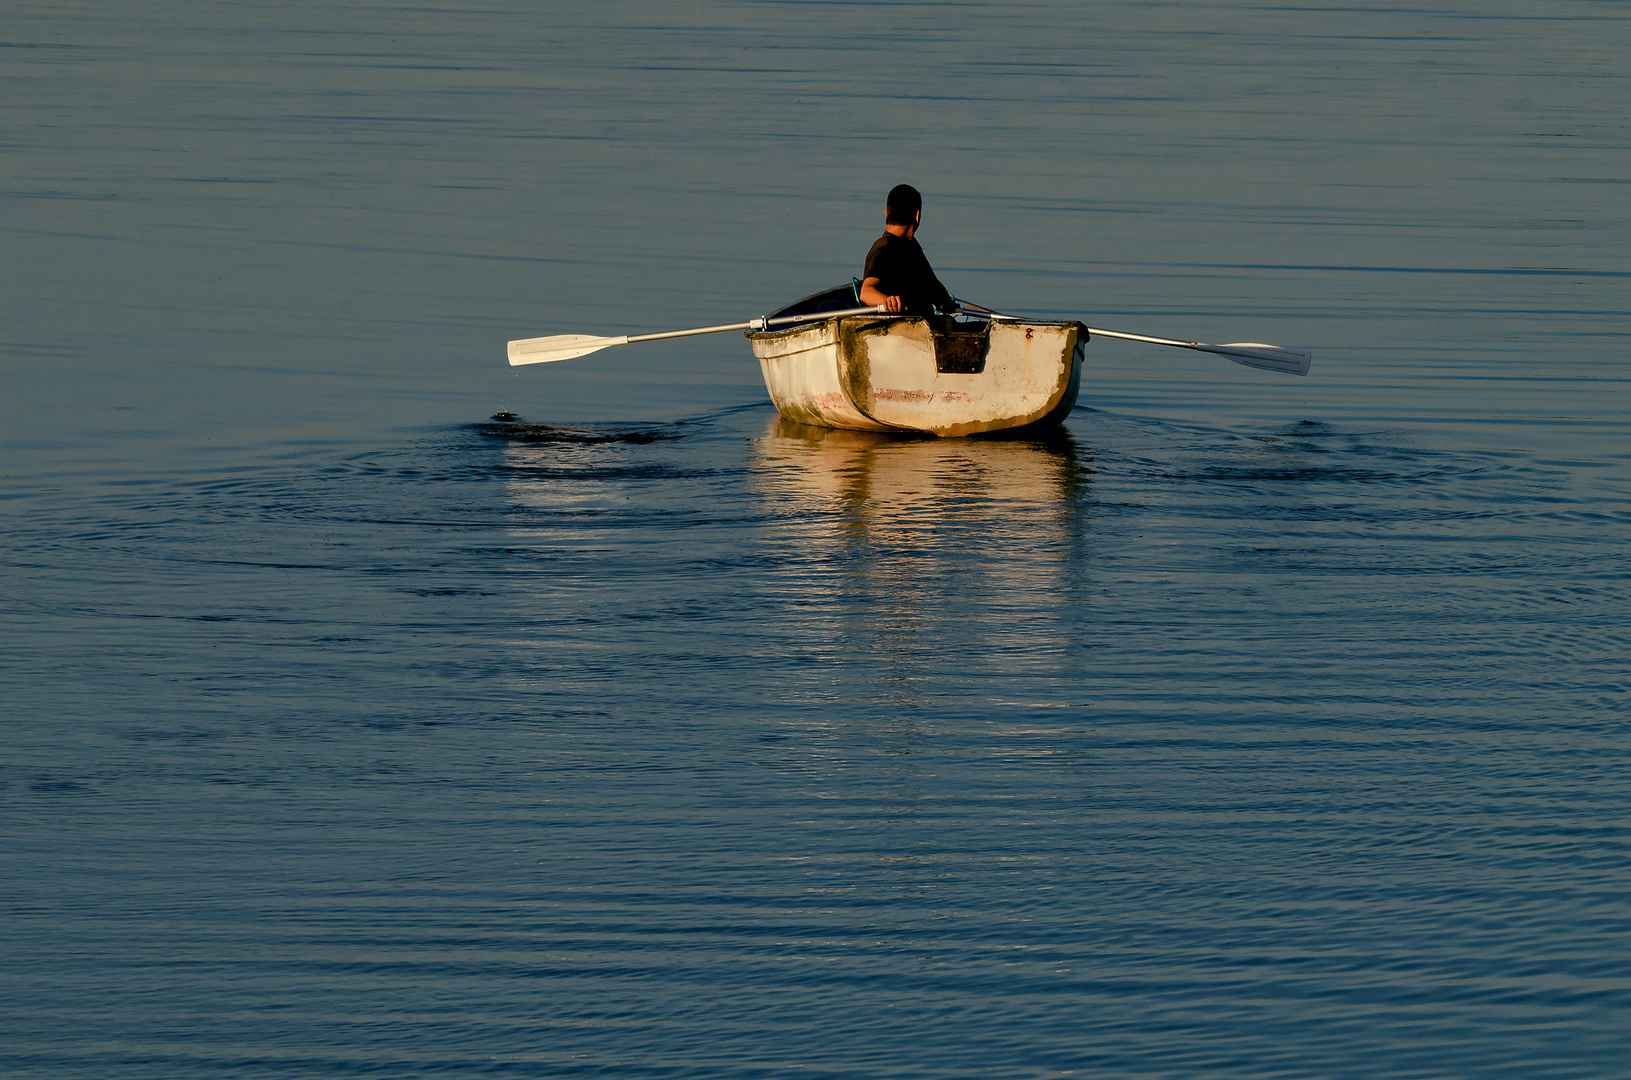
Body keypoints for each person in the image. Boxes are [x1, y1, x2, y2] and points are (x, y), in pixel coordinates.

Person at [858, 184, 956, 316]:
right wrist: (886, 301)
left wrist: (946, 302)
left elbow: (932, 285)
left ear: (886, 213)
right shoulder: (884, 250)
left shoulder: (911, 245)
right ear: (917, 215)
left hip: (923, 325)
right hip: (896, 328)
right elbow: (866, 292)